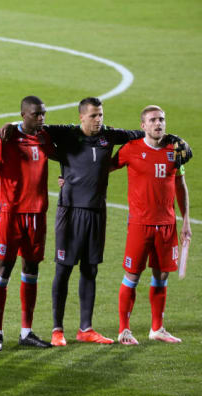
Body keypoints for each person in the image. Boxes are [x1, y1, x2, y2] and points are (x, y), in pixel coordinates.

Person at [44, 97, 145, 346]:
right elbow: (34, 126)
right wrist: (10, 127)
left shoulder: (109, 136)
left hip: (97, 212)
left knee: (90, 269)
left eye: (100, 115)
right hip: (70, 211)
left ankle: (85, 329)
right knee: (64, 269)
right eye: (93, 116)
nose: (98, 120)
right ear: (81, 117)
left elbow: (141, 135)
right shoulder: (66, 134)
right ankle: (57, 329)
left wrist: (172, 139)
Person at [116, 106, 191, 345]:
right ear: (143, 126)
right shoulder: (131, 149)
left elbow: (181, 186)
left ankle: (157, 328)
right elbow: (102, 169)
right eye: (153, 120)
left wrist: (186, 221)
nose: (158, 124)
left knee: (161, 275)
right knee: (132, 276)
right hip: (140, 224)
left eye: (161, 119)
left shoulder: (175, 151)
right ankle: (124, 330)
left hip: (167, 225)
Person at [0, 96, 55, 351]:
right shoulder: (5, 136)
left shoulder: (45, 137)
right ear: (24, 115)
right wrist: (10, 183)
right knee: (4, 268)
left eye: (44, 114)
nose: (42, 118)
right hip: (11, 213)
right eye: (37, 114)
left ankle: (26, 332)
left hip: (37, 213)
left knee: (31, 269)